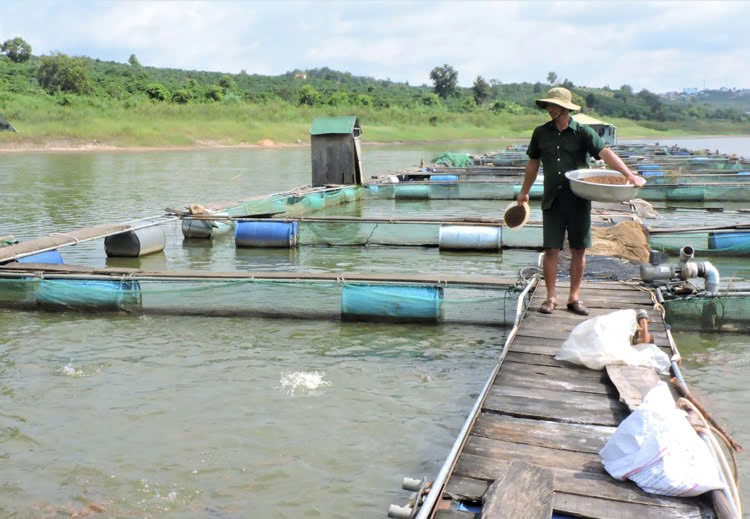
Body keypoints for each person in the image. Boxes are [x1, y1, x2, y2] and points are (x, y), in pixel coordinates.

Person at [516, 87, 646, 315]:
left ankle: (574, 298)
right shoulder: (540, 133)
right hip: (552, 201)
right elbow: (533, 164)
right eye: (548, 105)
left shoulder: (583, 133)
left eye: (553, 105)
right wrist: (524, 192)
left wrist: (628, 175)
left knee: (579, 249)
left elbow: (605, 153)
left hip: (578, 200)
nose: (549, 109)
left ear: (564, 108)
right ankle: (550, 298)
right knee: (551, 250)